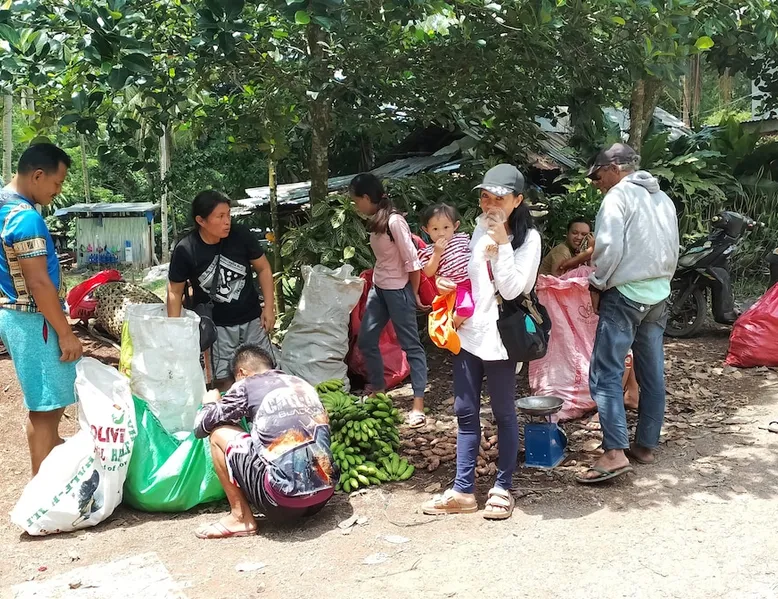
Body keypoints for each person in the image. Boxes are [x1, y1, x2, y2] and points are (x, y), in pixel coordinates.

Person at [421, 164, 541, 519]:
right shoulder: (476, 228)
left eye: (500, 198)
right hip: (468, 333)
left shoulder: (529, 240)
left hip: (502, 340)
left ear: (517, 200)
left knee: (503, 412)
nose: (490, 204)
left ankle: (503, 487)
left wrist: (503, 243)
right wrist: (448, 286)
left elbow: (513, 289)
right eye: (485, 197)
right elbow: (471, 278)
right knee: (465, 411)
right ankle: (463, 491)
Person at [577, 143, 679, 484]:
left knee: (605, 371)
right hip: (658, 294)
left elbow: (608, 248)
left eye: (597, 175)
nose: (596, 183)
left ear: (615, 168)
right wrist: (662, 282)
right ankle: (646, 445)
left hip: (625, 294)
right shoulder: (662, 199)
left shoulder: (617, 197)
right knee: (651, 373)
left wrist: (597, 283)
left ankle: (614, 452)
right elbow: (673, 247)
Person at [193, 344, 336, 539]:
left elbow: (200, 427)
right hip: (323, 496)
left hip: (282, 501)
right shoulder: (301, 384)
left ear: (242, 373)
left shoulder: (246, 385)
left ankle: (240, 517)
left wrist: (211, 403)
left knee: (219, 433)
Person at [0, 143, 83, 476]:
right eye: (57, 182)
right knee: (47, 407)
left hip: (17, 315)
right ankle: (43, 488)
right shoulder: (25, 218)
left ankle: (48, 469)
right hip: (35, 319)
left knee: (45, 404)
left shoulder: (4, 207)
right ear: (37, 176)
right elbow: (38, 283)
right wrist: (66, 333)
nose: (58, 191)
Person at [167, 190, 276, 391]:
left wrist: (269, 307)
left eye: (228, 214)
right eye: (220, 216)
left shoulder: (241, 235)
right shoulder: (186, 249)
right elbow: (175, 291)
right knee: (223, 380)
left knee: (265, 373)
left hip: (253, 320)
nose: (227, 221)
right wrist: (174, 330)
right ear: (201, 220)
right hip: (217, 329)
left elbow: (263, 268)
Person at [351, 173, 428, 428]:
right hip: (379, 289)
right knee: (366, 339)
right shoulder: (378, 220)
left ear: (366, 197)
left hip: (398, 291)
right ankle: (378, 390)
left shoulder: (395, 222)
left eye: (356, 201)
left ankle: (418, 404)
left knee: (411, 346)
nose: (356, 206)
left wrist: (413, 294)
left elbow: (413, 262)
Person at [418, 203, 473, 329]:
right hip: (457, 286)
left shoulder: (462, 238)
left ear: (455, 226)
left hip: (475, 281)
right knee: (466, 308)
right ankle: (451, 327)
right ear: (426, 230)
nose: (441, 233)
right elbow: (428, 272)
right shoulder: (428, 251)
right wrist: (437, 253)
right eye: (435, 229)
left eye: (446, 227)